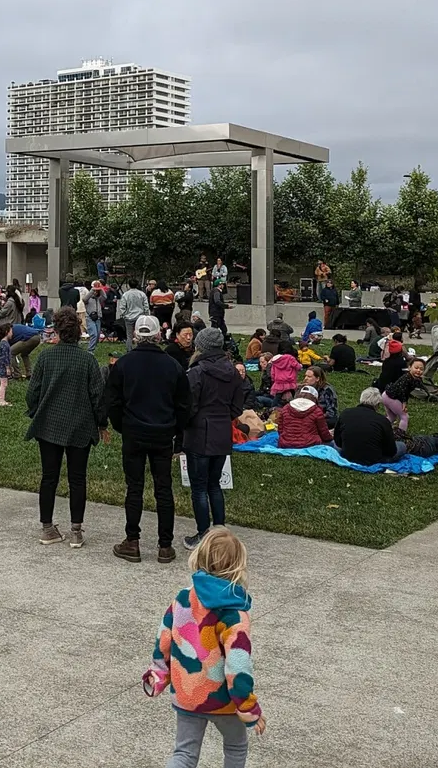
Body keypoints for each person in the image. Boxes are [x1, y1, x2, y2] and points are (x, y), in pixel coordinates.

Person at [143, 527, 264, 766]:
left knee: (184, 754)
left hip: (188, 693)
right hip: (224, 700)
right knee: (235, 747)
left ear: (198, 557)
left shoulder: (182, 598)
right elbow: (238, 663)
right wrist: (247, 706)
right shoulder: (234, 613)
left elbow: (163, 639)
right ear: (238, 567)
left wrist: (160, 672)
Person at [106, 314, 192, 563]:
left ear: (136, 336)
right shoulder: (173, 365)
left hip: (133, 431)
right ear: (157, 336)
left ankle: (132, 541)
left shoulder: (123, 364)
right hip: (163, 432)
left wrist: (121, 425)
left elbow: (112, 400)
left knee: (134, 487)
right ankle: (165, 545)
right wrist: (177, 430)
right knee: (163, 489)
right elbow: (184, 404)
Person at [25, 307, 106, 547]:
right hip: (81, 426)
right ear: (78, 331)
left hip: (49, 424)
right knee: (77, 479)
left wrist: (35, 411)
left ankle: (47, 528)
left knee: (49, 477)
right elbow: (98, 397)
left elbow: (32, 393)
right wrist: (101, 423)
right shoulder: (88, 360)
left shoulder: (46, 357)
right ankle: (76, 531)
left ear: (57, 331)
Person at [183, 328, 241, 549]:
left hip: (199, 433)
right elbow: (237, 407)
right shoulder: (233, 372)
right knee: (214, 484)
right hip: (222, 431)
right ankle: (219, 530)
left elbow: (189, 406)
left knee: (199, 487)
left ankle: (202, 534)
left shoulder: (197, 372)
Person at [379, 357, 427, 433]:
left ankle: (379, 429)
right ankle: (401, 435)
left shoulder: (416, 379)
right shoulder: (406, 378)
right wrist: (404, 403)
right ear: (409, 367)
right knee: (404, 417)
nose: (418, 370)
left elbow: (422, 386)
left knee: (392, 417)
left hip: (386, 395)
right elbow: (403, 390)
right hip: (391, 397)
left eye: (421, 369)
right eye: (416, 368)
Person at [277, 383, 331, 449]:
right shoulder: (316, 411)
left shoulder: (286, 408)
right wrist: (330, 438)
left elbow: (280, 429)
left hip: (285, 444)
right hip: (310, 444)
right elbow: (324, 433)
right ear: (314, 398)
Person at [0, 323, 14, 406]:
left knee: (3, 383)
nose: (12, 333)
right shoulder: (5, 344)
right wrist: (7, 368)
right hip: (2, 366)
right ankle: (1, 400)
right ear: (7, 332)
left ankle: (1, 399)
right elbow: (4, 357)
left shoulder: (2, 343)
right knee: (4, 384)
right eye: (11, 331)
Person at [83, 282, 103, 352]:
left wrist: (101, 289)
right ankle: (90, 350)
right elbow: (84, 299)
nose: (96, 292)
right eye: (95, 291)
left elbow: (105, 297)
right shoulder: (88, 298)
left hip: (98, 317)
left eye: (97, 291)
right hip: (90, 317)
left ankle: (93, 347)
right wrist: (92, 290)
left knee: (97, 335)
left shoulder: (99, 298)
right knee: (94, 334)